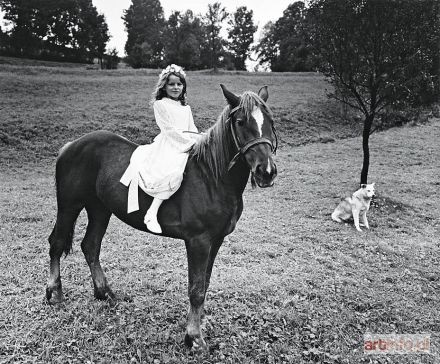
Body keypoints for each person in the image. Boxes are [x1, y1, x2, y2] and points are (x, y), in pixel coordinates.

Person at [120, 64, 200, 234]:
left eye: (179, 84)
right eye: (171, 84)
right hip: (169, 144)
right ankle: (151, 212)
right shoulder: (160, 105)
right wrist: (188, 143)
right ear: (164, 86)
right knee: (174, 171)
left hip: (187, 141)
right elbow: (169, 130)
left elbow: (192, 128)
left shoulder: (186, 108)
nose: (176, 87)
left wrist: (199, 140)